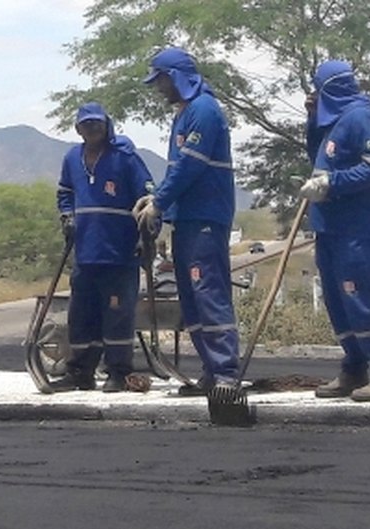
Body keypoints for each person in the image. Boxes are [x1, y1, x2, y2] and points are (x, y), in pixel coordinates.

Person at [135, 47, 239, 396]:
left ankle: (225, 373)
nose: (159, 88)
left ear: (177, 77)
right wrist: (157, 199)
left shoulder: (204, 111)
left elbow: (191, 166)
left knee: (208, 293)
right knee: (193, 298)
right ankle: (211, 372)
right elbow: (179, 169)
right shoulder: (185, 114)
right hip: (188, 218)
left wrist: (160, 200)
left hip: (206, 217)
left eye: (161, 80)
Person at [300, 61, 370, 401]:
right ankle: (354, 367)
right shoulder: (333, 124)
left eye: (317, 89)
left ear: (332, 88)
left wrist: (333, 182)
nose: (312, 94)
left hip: (356, 225)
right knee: (337, 298)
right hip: (330, 225)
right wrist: (312, 118)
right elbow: (320, 158)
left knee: (361, 295)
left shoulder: (362, 118)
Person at [56, 102, 155, 392]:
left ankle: (119, 372)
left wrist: (147, 235)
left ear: (107, 125)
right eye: (86, 124)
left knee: (117, 316)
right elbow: (64, 193)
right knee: (81, 316)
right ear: (78, 128)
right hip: (85, 254)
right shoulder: (72, 158)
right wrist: (68, 216)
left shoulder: (125, 158)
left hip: (120, 253)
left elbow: (149, 197)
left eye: (97, 123)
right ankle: (80, 373)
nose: (92, 129)